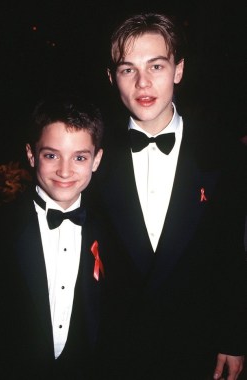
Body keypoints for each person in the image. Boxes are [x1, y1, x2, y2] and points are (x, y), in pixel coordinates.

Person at [89, 12, 247, 380]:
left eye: (156, 65)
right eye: (128, 69)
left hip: (198, 348)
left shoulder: (224, 153)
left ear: (178, 70)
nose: (143, 82)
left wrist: (234, 336)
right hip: (117, 352)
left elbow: (232, 254)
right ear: (113, 78)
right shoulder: (93, 156)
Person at [0, 95, 105, 379]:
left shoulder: (111, 231)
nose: (65, 171)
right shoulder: (5, 227)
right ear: (32, 155)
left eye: (80, 157)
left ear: (97, 160)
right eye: (51, 155)